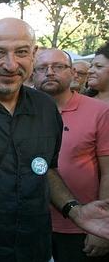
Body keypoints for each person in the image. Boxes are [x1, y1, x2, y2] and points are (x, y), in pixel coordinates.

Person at [0, 17, 109, 262]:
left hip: (34, 249)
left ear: (33, 55)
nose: (11, 65)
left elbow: (46, 169)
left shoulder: (46, 109)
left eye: (21, 52)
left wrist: (74, 211)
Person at [33, 48, 109, 261]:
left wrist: (101, 227)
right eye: (41, 68)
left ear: (74, 73)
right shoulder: (21, 113)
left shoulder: (99, 112)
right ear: (32, 74)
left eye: (58, 67)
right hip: (30, 228)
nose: (49, 72)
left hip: (80, 229)